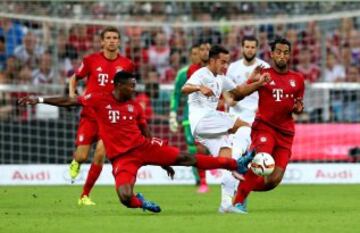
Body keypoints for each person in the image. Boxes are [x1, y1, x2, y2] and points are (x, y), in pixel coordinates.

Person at [18, 71, 253, 213]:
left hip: (144, 147)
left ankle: (236, 165)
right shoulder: (98, 99)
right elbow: (69, 102)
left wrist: (162, 161)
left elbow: (146, 133)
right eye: (131, 85)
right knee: (124, 196)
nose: (134, 88)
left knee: (185, 158)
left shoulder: (135, 106)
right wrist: (38, 99)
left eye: (134, 85)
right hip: (122, 157)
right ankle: (141, 202)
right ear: (118, 86)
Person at [182, 44, 270, 213]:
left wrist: (257, 82)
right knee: (246, 126)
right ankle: (239, 163)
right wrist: (199, 87)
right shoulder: (201, 73)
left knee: (227, 161)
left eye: (227, 62)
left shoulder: (221, 78)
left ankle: (225, 205)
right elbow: (184, 88)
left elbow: (238, 93)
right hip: (203, 119)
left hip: (209, 128)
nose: (225, 66)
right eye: (222, 62)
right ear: (213, 60)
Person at [232, 37, 305, 214]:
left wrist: (299, 108)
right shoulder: (264, 74)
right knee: (261, 160)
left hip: (286, 133)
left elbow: (298, 107)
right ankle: (237, 203)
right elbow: (238, 95)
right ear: (272, 54)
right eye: (278, 52)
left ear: (289, 56)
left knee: (273, 180)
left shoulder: (298, 79)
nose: (282, 55)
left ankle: (241, 187)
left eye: (286, 52)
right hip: (265, 127)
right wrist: (255, 81)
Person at [67, 26, 134, 206]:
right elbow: (74, 77)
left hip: (110, 119)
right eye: (108, 38)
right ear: (102, 42)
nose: (112, 41)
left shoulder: (127, 64)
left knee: (99, 154)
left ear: (119, 41)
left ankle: (84, 195)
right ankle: (76, 162)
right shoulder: (90, 60)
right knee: (82, 156)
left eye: (115, 38)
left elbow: (128, 89)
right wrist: (72, 95)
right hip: (89, 115)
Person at [221, 35, 270, 213]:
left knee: (251, 162)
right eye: (247, 47)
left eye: (252, 47)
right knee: (235, 158)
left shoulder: (265, 67)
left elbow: (270, 93)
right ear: (242, 48)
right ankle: (227, 200)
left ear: (257, 48)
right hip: (236, 121)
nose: (249, 50)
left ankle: (239, 198)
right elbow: (225, 91)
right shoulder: (233, 68)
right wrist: (229, 101)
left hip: (257, 120)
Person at [169, 43, 210, 192]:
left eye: (197, 53)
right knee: (194, 148)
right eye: (193, 53)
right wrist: (173, 113)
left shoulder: (209, 72)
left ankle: (206, 175)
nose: (196, 56)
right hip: (189, 118)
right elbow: (176, 94)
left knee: (206, 148)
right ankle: (200, 180)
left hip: (208, 115)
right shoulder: (183, 73)